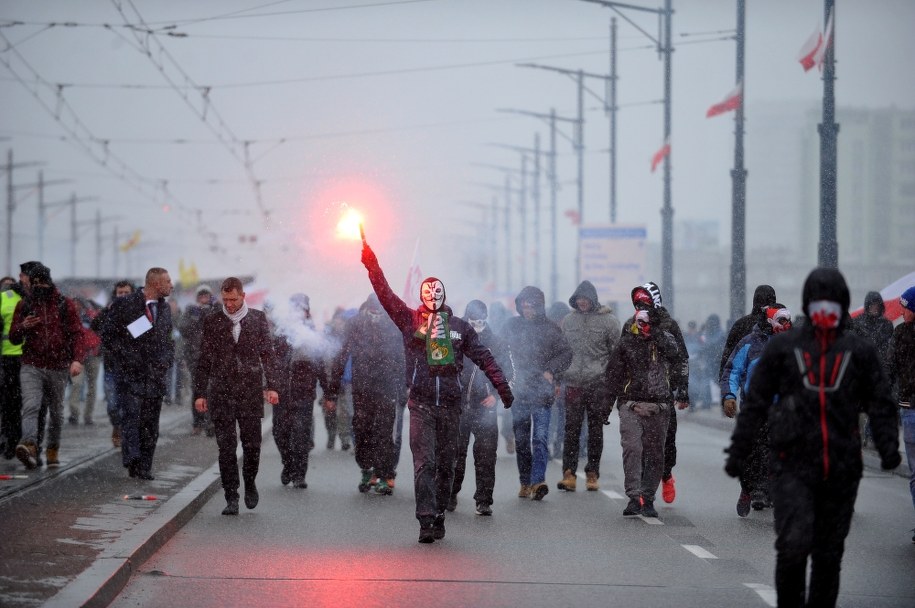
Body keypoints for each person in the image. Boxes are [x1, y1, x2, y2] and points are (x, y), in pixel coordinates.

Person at [725, 268, 900, 607]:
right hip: (792, 462)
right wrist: (739, 450)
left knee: (828, 553)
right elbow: (757, 400)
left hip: (840, 466)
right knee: (792, 546)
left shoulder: (857, 350)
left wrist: (888, 444)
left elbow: (879, 400)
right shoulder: (784, 347)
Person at [360, 238, 513, 543]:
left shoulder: (459, 327)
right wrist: (371, 263)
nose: (433, 297)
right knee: (424, 463)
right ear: (421, 296)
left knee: (446, 465)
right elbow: (385, 293)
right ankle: (426, 519)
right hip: (421, 405)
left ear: (444, 296)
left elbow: (483, 356)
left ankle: (440, 511)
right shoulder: (410, 320)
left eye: (437, 293)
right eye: (428, 293)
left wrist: (502, 387)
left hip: (452, 407)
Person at [193, 278, 281, 515]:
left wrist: (273, 386)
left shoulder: (257, 319)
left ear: (243, 296)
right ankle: (231, 495)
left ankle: (249, 481)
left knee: (252, 445)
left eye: (233, 299)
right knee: (226, 447)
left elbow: (268, 355)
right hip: (221, 391)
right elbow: (204, 359)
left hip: (249, 390)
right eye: (225, 300)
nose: (229, 304)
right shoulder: (213, 320)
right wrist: (200, 393)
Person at [606, 309, 685, 518]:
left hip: (659, 405)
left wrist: (679, 390)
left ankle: (648, 497)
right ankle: (634, 497)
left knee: (655, 453)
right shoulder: (626, 343)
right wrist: (606, 406)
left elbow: (677, 357)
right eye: (640, 322)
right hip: (631, 404)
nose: (643, 326)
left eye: (648, 322)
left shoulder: (666, 340)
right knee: (632, 449)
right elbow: (613, 374)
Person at [327, 293, 406, 496]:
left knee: (384, 432)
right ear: (367, 309)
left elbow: (401, 359)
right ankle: (366, 468)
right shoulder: (355, 324)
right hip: (362, 387)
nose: (376, 316)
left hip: (386, 387)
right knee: (362, 430)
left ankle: (383, 475)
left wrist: (404, 388)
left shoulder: (393, 325)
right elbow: (342, 355)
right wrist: (332, 391)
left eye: (379, 311)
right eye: (373, 311)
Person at [100, 267, 175, 480]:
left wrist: (166, 361)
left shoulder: (165, 308)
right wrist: (125, 357)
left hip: (155, 376)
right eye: (168, 281)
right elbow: (108, 335)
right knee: (132, 418)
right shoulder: (126, 304)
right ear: (156, 284)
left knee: (150, 424)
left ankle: (145, 466)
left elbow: (168, 339)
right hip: (130, 375)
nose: (171, 285)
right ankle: (132, 458)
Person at [10, 263, 87, 469]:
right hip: (31, 365)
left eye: (42, 282)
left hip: (58, 366)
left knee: (56, 412)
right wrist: (23, 326)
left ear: (49, 282)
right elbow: (14, 337)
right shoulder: (24, 305)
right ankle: (29, 445)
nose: (39, 286)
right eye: (35, 283)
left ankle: (53, 448)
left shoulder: (64, 304)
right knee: (31, 405)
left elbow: (77, 334)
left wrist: (77, 359)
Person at [501, 286, 573, 502]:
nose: (527, 310)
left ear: (539, 307)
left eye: (531, 306)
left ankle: (538, 481)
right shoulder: (511, 326)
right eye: (524, 306)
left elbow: (566, 353)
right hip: (518, 393)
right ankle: (525, 481)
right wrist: (506, 374)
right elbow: (499, 350)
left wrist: (551, 370)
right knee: (522, 441)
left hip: (542, 394)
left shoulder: (551, 329)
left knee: (540, 439)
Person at [720, 304, 792, 516]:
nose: (786, 325)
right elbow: (732, 371)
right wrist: (729, 396)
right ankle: (748, 489)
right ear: (770, 321)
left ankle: (765, 488)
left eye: (788, 320)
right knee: (752, 451)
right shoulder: (750, 343)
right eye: (781, 320)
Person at [625, 282, 690, 503]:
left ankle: (666, 474)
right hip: (638, 393)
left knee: (666, 442)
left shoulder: (668, 325)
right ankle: (644, 491)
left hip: (664, 393)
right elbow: (621, 357)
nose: (640, 307)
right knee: (640, 444)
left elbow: (681, 357)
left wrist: (682, 389)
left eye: (645, 303)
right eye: (637, 303)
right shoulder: (630, 325)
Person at [449, 299, 513, 515]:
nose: (477, 325)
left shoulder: (496, 342)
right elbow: (442, 366)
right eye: (473, 321)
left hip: (485, 408)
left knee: (486, 456)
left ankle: (484, 500)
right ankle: (450, 494)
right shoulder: (454, 337)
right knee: (454, 454)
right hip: (457, 406)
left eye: (481, 321)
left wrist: (495, 394)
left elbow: (509, 373)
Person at [557, 280, 620, 493]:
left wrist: (611, 383)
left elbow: (616, 354)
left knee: (595, 431)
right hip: (573, 382)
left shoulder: (609, 322)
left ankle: (592, 473)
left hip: (597, 384)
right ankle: (569, 474)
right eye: (579, 299)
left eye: (585, 299)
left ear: (593, 300)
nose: (582, 302)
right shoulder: (568, 321)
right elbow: (561, 350)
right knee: (571, 430)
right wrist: (559, 377)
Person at [271, 293, 326, 490]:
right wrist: (269, 385)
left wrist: (329, 392)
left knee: (301, 435)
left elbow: (320, 364)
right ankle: (288, 463)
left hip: (304, 392)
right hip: (282, 392)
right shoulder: (281, 331)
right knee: (280, 432)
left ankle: (299, 474)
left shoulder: (312, 332)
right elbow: (270, 361)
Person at [887, 285, 915, 544]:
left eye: (906, 308)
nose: (902, 311)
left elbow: (889, 369)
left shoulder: (901, 334)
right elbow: (889, 369)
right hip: (909, 407)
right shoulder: (900, 333)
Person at [91, 280, 134, 448]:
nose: (123, 296)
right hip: (111, 365)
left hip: (131, 366)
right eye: (120, 293)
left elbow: (144, 333)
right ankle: (117, 425)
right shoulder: (109, 311)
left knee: (130, 403)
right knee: (112, 403)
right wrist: (107, 311)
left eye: (126, 293)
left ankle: (126, 431)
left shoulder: (138, 311)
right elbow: (95, 325)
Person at [179, 284, 218, 436]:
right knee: (198, 390)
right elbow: (183, 328)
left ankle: (210, 421)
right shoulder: (191, 311)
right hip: (195, 358)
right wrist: (196, 317)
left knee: (212, 389)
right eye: (201, 296)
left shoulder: (217, 309)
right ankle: (198, 422)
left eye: (206, 296)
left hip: (213, 358)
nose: (203, 299)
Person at [719, 284, 777, 376]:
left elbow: (728, 354)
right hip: (772, 378)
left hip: (744, 378)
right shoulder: (778, 325)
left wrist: (723, 377)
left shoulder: (740, 324)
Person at [1, 271, 27, 460]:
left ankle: (24, 442)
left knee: (27, 404)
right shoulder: (5, 298)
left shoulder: (32, 298)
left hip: (28, 359)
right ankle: (11, 440)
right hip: (8, 358)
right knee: (10, 403)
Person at [67, 298, 102, 426]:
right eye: (73, 305)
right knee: (76, 384)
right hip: (77, 357)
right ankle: (74, 414)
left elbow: (102, 329)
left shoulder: (92, 316)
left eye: (77, 304)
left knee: (92, 386)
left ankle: (88, 415)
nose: (75, 307)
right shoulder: (69, 318)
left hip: (93, 354)